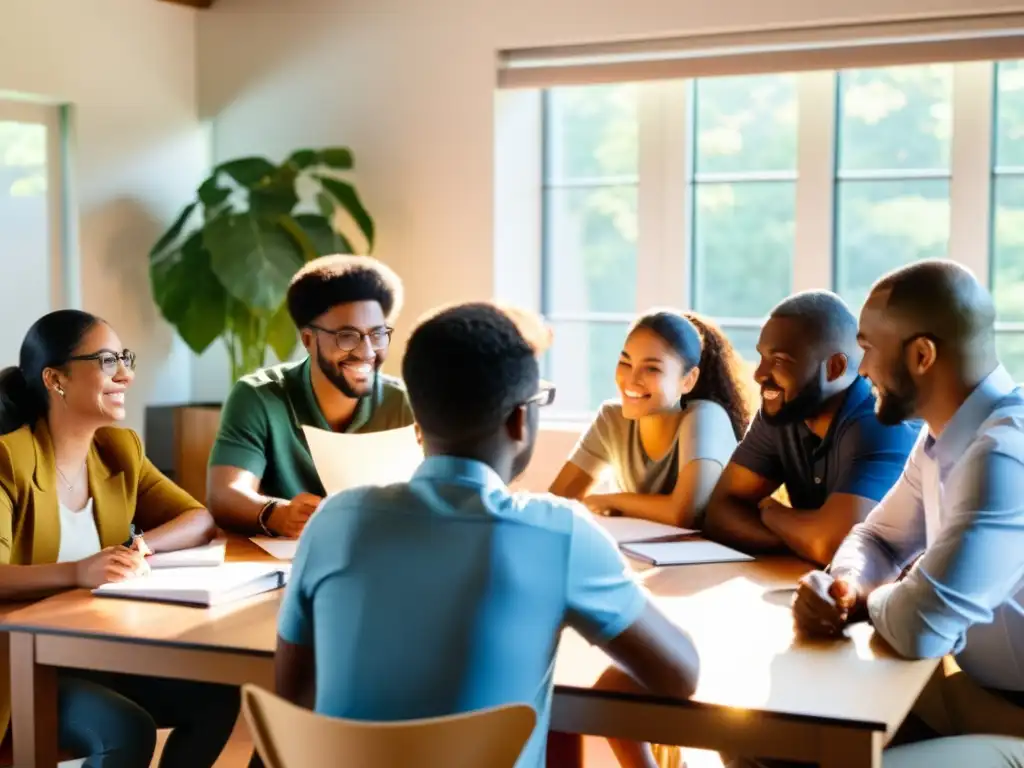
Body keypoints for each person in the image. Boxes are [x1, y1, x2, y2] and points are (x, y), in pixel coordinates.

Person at [272, 302, 701, 768]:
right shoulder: (559, 534)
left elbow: (293, 695)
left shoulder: (336, 521)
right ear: (521, 420)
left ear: (419, 425)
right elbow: (680, 674)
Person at [790, 260, 1024, 764]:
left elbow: (921, 627)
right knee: (773, 738)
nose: (862, 369)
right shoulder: (942, 436)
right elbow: (877, 539)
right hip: (973, 693)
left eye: (868, 348)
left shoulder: (1006, 453)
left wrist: (862, 601)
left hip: (1013, 722)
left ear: (922, 354)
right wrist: (847, 584)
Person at [0, 309, 239, 768]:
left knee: (216, 697)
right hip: (19, 667)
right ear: (56, 379)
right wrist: (80, 570)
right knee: (128, 729)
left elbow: (198, 518)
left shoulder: (118, 449)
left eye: (124, 359)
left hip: (93, 649)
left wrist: (139, 548)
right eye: (108, 361)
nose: (126, 375)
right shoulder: (7, 461)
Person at [703, 290, 918, 566]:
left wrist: (771, 512)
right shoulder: (784, 412)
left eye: (779, 360)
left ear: (835, 368)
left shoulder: (881, 423)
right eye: (762, 357)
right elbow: (719, 511)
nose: (759, 374)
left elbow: (836, 546)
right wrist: (803, 538)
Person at [207, 254, 414, 538]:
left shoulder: (406, 402)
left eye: (377, 335)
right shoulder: (259, 396)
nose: (367, 352)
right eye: (348, 336)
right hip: (286, 565)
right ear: (308, 340)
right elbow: (225, 494)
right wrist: (277, 514)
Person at [550, 310, 751, 529]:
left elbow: (684, 514)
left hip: (719, 560)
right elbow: (556, 503)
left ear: (688, 380)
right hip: (642, 556)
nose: (631, 379)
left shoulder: (705, 416)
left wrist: (610, 500)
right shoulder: (611, 418)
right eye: (625, 363)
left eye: (652, 368)